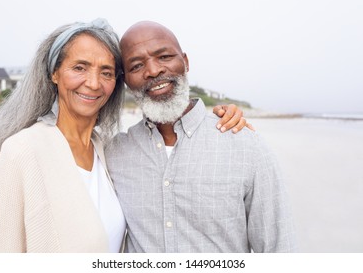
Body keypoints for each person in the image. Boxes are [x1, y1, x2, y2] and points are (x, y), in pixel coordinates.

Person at [0, 19, 247, 253]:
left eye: (106, 72)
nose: (94, 83)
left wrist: (216, 118)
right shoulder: (23, 151)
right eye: (80, 68)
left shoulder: (109, 152)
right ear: (55, 73)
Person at [105, 21, 297, 253]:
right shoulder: (114, 154)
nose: (154, 71)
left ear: (185, 62)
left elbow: (279, 250)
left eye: (164, 57)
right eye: (136, 66)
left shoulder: (244, 144)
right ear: (125, 80)